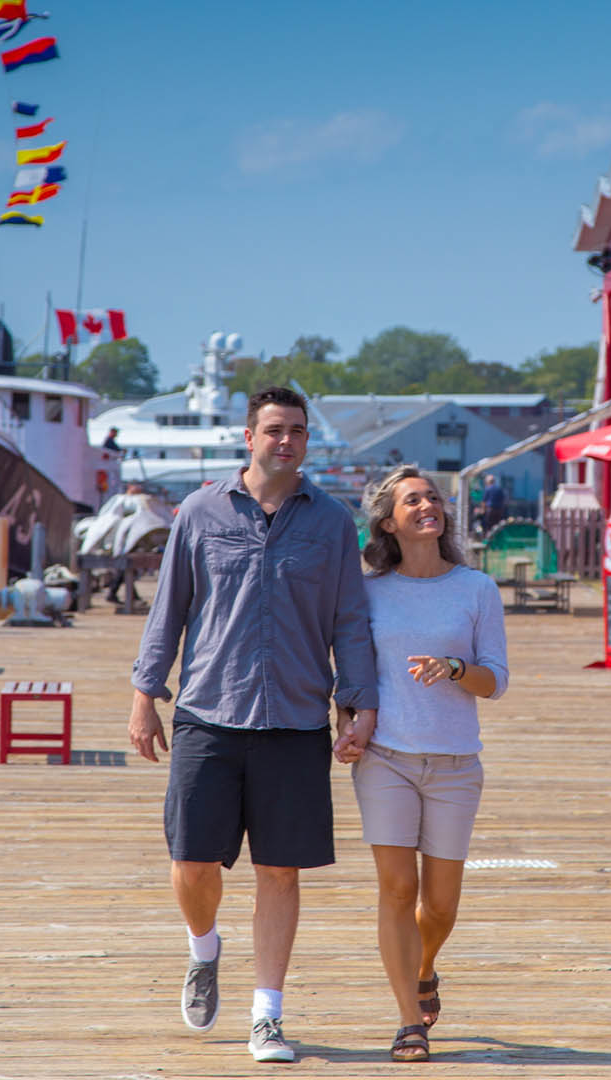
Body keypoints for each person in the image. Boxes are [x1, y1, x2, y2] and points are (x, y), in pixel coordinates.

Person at [127, 385, 379, 1064]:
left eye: (297, 430)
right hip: (208, 711)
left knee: (281, 871)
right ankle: (203, 949)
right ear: (249, 437)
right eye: (274, 430)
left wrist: (358, 704)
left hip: (296, 719)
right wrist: (145, 693)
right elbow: (169, 610)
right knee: (190, 861)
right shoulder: (201, 513)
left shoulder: (330, 522)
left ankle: (267, 1014)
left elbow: (350, 620)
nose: (287, 441)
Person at [353, 464, 509, 1063]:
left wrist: (452, 668)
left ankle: (424, 964)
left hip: (454, 764)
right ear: (388, 522)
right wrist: (348, 722)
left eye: (433, 498)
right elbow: (352, 672)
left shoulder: (476, 589)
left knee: (440, 904)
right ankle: (406, 1023)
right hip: (385, 757)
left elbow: (495, 681)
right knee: (397, 889)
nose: (428, 506)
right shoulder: (366, 591)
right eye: (412, 500)